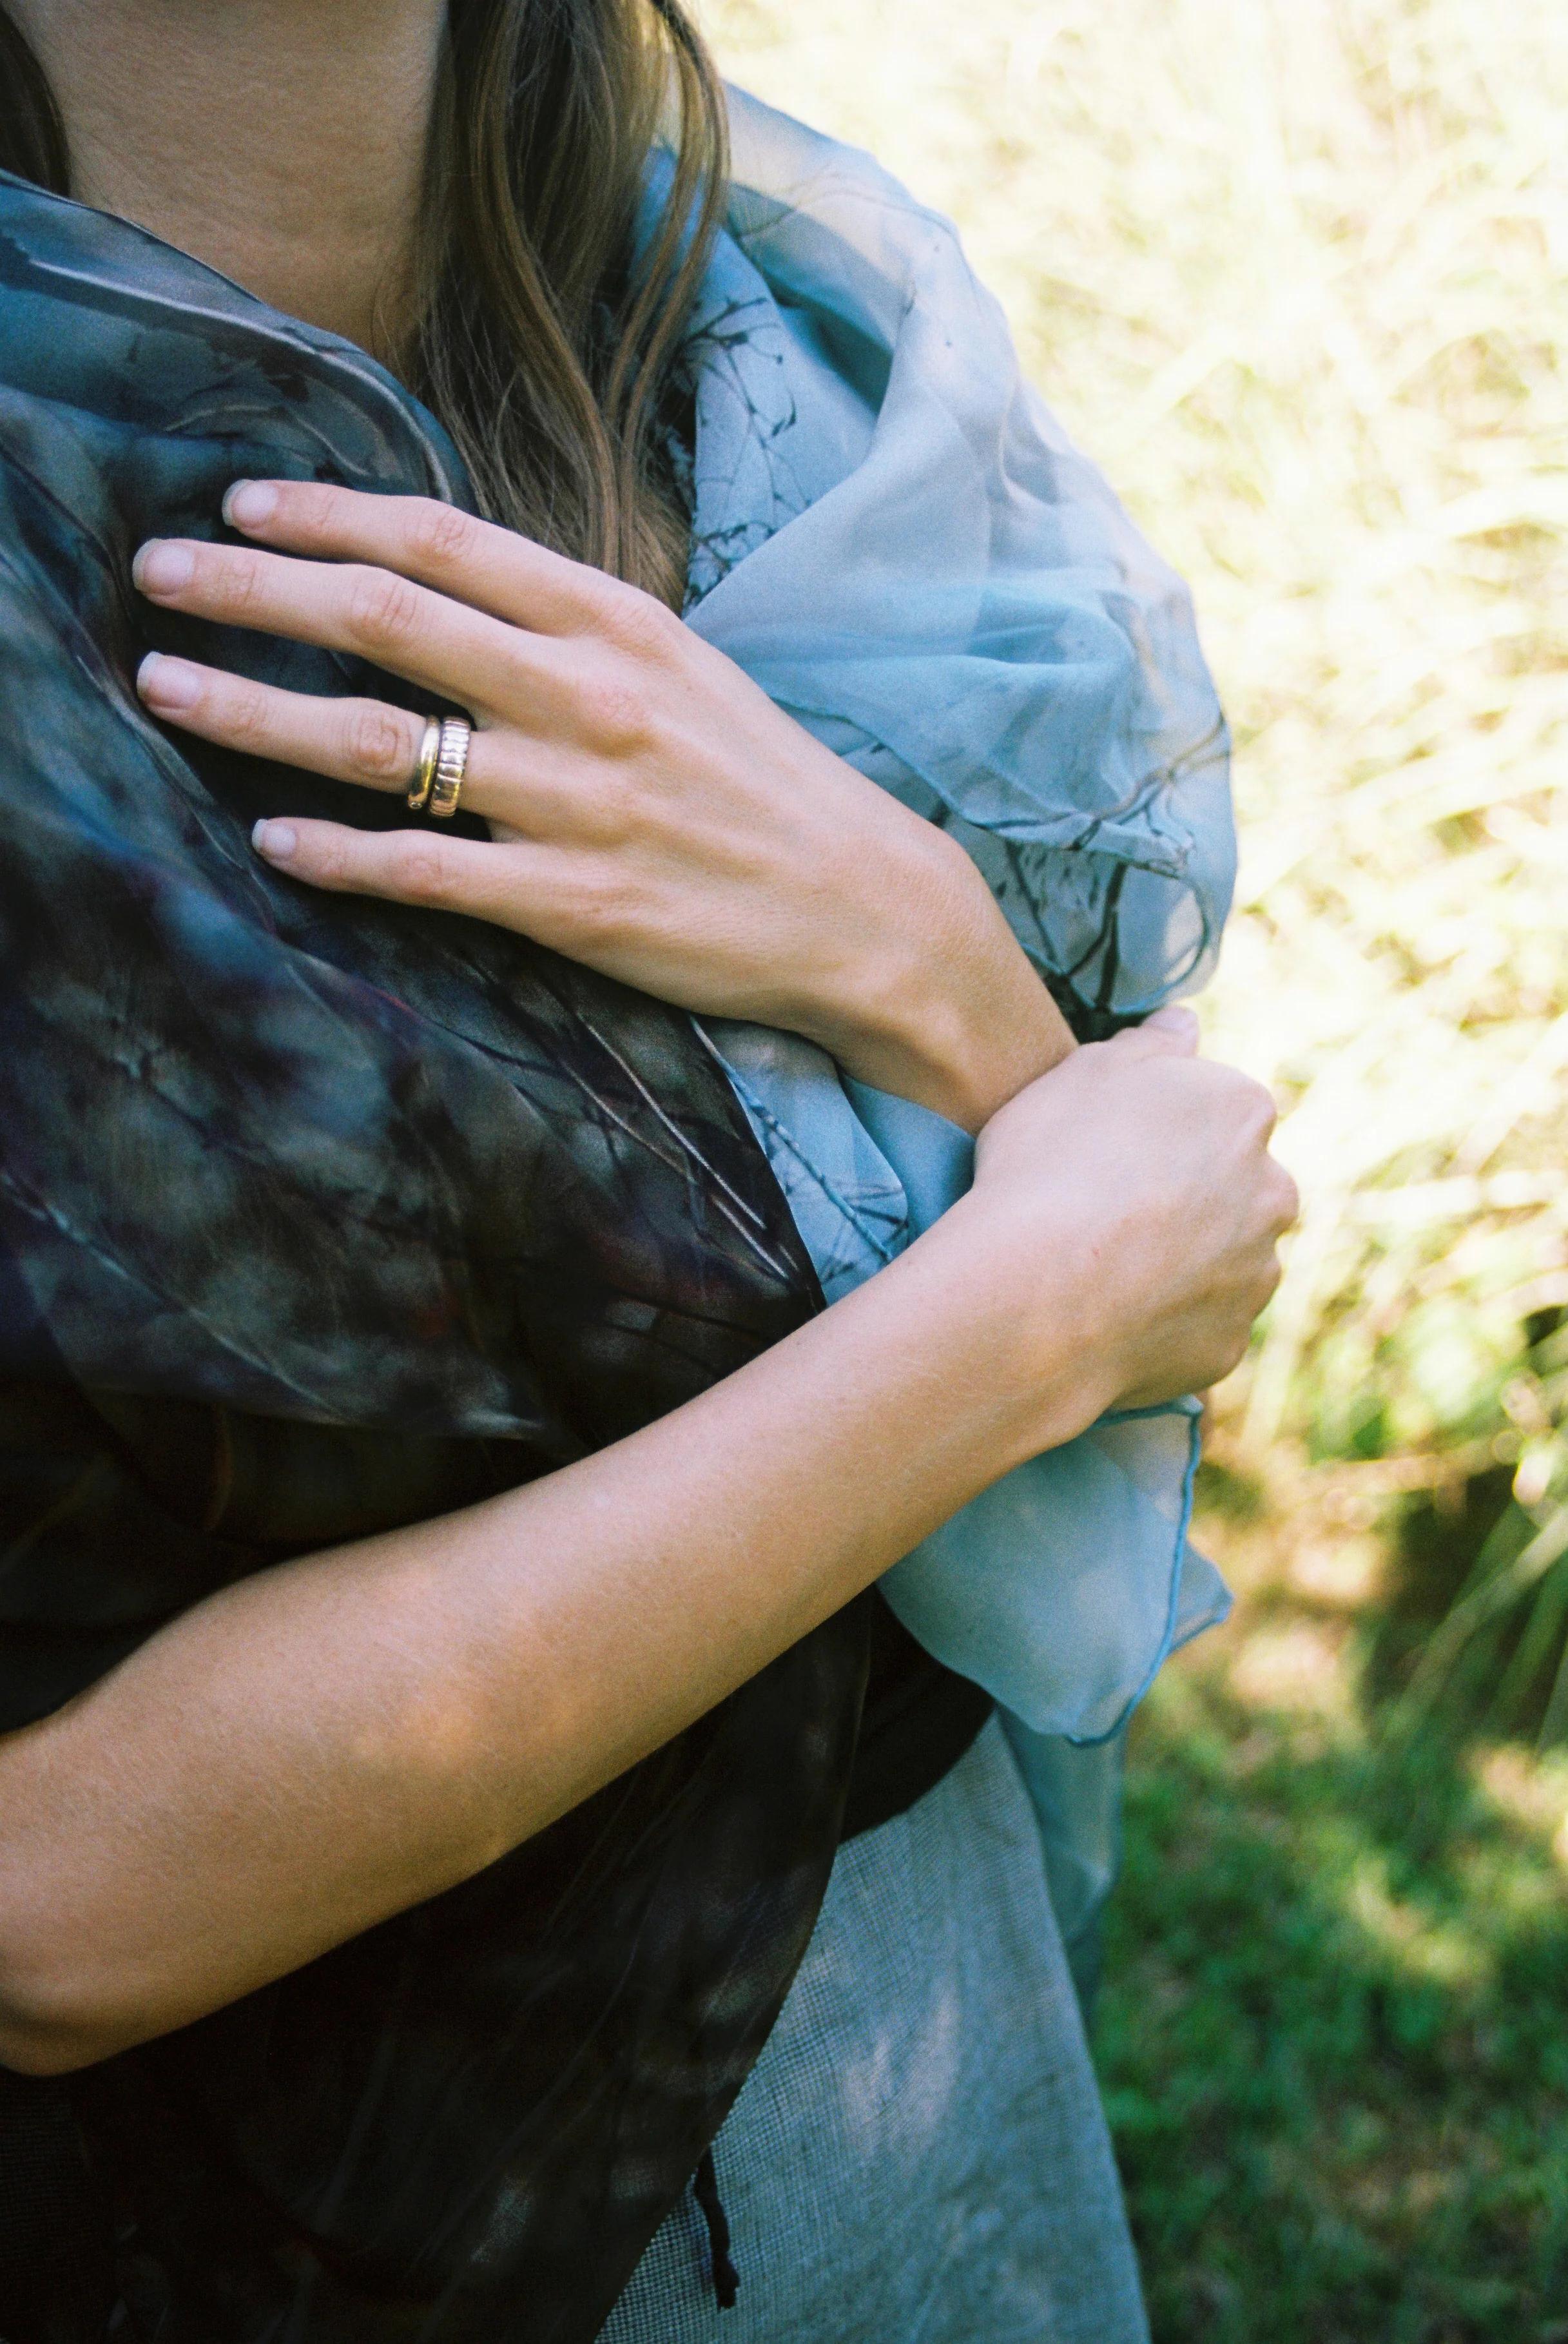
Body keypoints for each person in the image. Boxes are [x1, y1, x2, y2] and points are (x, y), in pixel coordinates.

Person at [0, 5, 1295, 2340]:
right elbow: (48, 1898)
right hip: (307, 2204)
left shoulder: (786, 340)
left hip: (905, 2033)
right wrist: (1017, 1319)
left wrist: (918, 956)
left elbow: (1160, 1227)